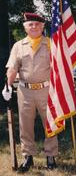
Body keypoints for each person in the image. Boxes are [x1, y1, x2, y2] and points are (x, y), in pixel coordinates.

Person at [2, 13, 58, 173]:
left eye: (37, 24)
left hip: (47, 90)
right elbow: (12, 67)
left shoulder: (51, 44)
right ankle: (28, 157)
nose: (34, 27)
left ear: (42, 27)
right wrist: (8, 86)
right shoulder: (18, 46)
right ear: (25, 27)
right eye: (30, 24)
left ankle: (51, 156)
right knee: (25, 125)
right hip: (25, 91)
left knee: (50, 124)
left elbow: (59, 68)